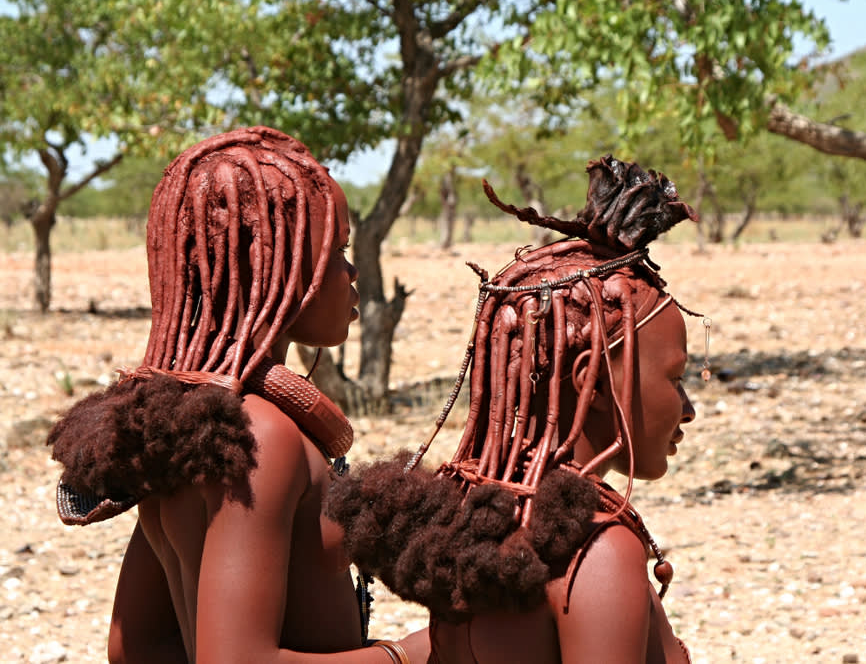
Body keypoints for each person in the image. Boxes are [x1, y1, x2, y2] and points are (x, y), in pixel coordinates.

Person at [47, 126, 428, 663]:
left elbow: (136, 647)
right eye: (336, 250)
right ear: (270, 265)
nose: (351, 270)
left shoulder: (189, 427)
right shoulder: (261, 438)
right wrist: (408, 654)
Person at [326, 154, 708, 663]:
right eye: (675, 379)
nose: (688, 410)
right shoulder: (594, 553)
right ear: (591, 383)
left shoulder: (481, 521)